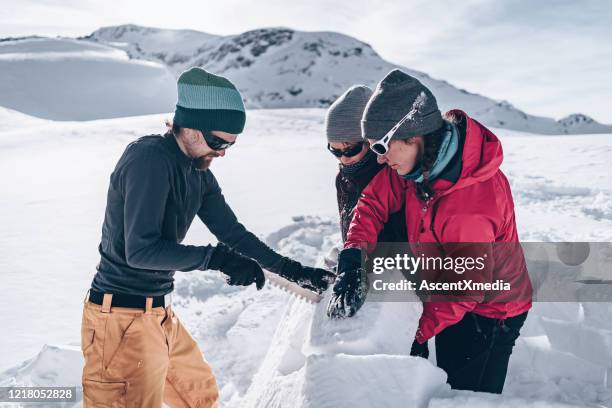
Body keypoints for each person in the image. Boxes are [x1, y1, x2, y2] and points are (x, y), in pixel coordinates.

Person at [81, 67, 334, 407]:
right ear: (189, 125)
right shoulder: (150, 159)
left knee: (199, 396)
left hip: (159, 315)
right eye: (218, 142)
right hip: (120, 321)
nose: (223, 152)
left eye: (231, 144)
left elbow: (233, 234)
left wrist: (294, 271)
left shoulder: (198, 173)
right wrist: (216, 258)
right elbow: (140, 251)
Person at [328, 69, 532, 394]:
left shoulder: (470, 204)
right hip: (454, 291)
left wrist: (409, 332)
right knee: (448, 380)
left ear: (412, 136)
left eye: (381, 147)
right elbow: (373, 201)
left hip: (491, 309)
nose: (379, 160)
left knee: (467, 396)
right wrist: (354, 253)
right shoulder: (416, 164)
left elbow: (464, 290)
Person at [324, 84, 406, 316]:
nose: (343, 158)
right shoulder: (344, 178)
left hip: (396, 284)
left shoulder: (393, 172)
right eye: (335, 150)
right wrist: (350, 260)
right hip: (362, 272)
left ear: (371, 142)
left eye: (350, 149)